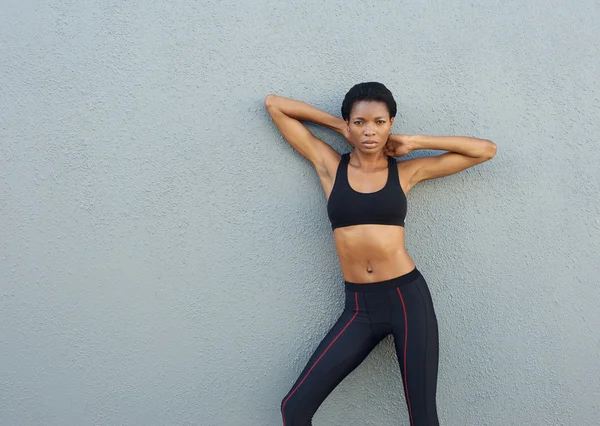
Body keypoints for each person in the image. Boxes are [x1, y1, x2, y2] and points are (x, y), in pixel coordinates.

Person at [265, 82, 497, 426]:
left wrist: (415, 142)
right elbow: (275, 104)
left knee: (423, 418)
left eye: (379, 122)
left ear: (391, 124)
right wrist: (338, 125)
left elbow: (486, 150)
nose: (369, 130)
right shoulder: (331, 166)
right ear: (349, 125)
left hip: (408, 300)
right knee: (294, 408)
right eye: (360, 122)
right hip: (359, 307)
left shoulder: (406, 171)